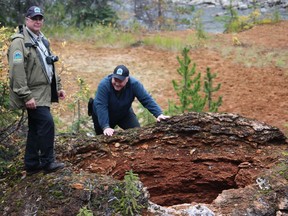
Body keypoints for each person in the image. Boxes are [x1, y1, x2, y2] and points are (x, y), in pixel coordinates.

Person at [8, 6, 65, 175]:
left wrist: (58, 86)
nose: (38, 21)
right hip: (32, 94)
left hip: (44, 92)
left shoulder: (41, 39)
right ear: (27, 20)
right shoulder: (19, 42)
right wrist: (26, 96)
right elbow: (16, 72)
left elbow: (49, 65)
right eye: (34, 18)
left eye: (40, 18)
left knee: (35, 127)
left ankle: (32, 163)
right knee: (47, 123)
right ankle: (48, 162)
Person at [92, 65, 170, 136]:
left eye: (120, 81)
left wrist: (158, 114)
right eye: (115, 79)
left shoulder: (134, 84)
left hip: (124, 113)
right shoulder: (104, 85)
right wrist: (105, 126)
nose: (117, 83)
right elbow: (101, 106)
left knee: (137, 134)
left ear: (127, 79)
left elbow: (146, 99)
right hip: (103, 115)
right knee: (103, 139)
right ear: (112, 76)